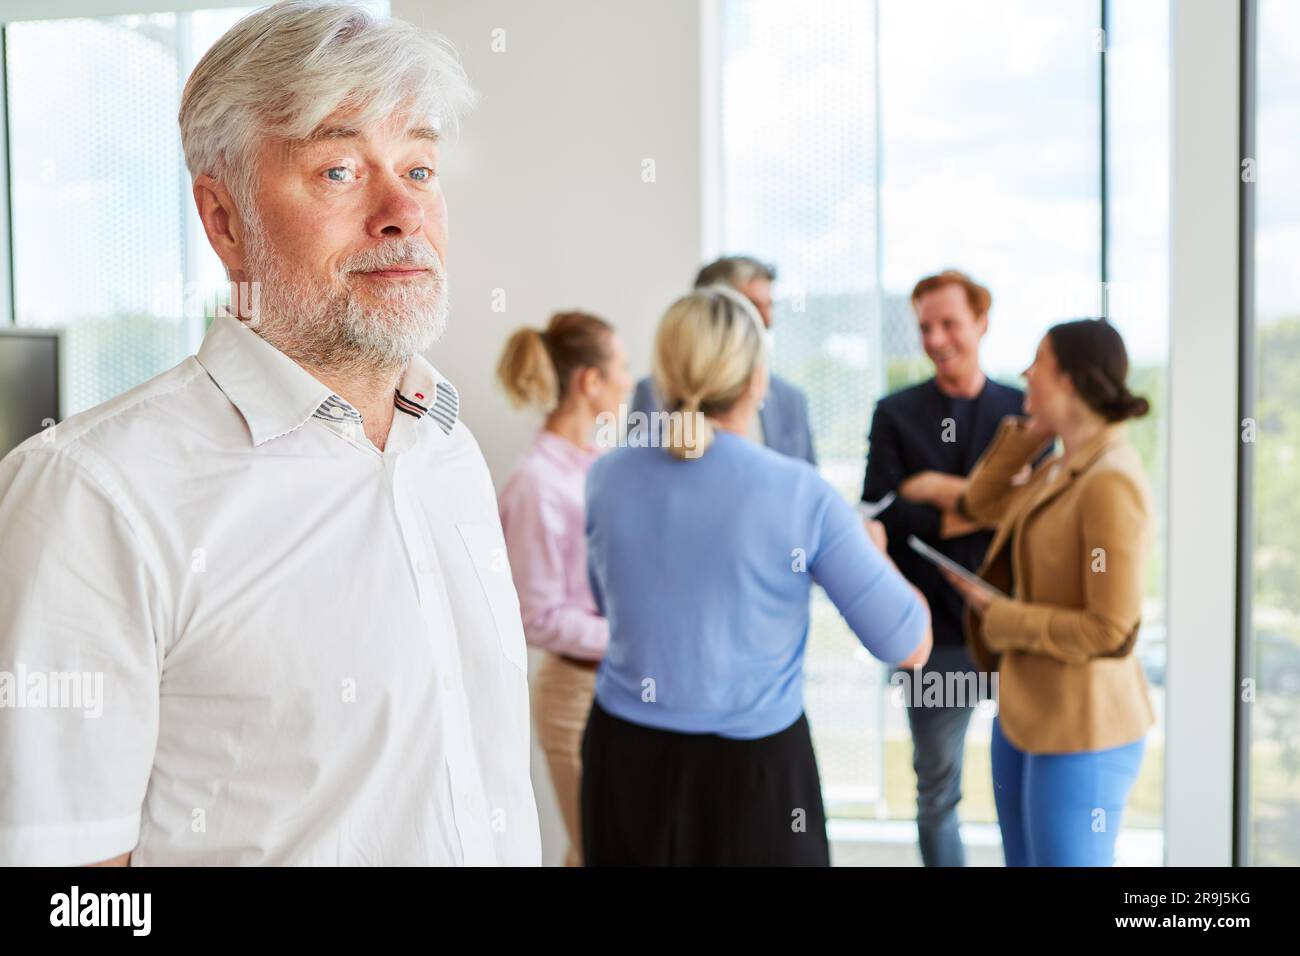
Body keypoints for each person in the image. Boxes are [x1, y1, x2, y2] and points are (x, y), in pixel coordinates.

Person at [0, 2, 541, 866]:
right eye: (337, 170)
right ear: (223, 220)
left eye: (421, 167)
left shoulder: (449, 450)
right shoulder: (90, 493)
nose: (402, 210)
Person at [581, 285, 932, 866]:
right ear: (757, 379)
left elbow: (609, 605)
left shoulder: (607, 478)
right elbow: (908, 643)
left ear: (663, 375)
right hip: (756, 779)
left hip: (625, 762)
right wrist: (876, 549)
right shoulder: (801, 493)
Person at [941, 318, 1154, 867]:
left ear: (1073, 380)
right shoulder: (1062, 464)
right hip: (1025, 714)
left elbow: (1111, 630)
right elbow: (979, 505)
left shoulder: (1110, 478)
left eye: (1039, 362)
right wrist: (1027, 435)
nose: (1026, 374)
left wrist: (1002, 617)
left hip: (1082, 728)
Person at [862, 270, 1030, 867]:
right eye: (925, 326)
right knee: (937, 794)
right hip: (932, 637)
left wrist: (932, 489)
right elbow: (882, 516)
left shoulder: (1026, 410)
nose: (935, 338)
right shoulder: (895, 413)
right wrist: (983, 503)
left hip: (1016, 632)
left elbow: (1034, 511)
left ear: (981, 321)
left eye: (949, 323)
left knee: (1026, 790)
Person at [495, 310, 631, 867]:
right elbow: (536, 615)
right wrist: (631, 637)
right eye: (621, 366)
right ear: (590, 381)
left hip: (621, 688)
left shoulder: (603, 466)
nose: (630, 379)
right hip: (574, 697)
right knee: (603, 851)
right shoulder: (536, 484)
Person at [629, 256, 816, 464]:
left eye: (769, 306)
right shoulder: (654, 394)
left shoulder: (791, 400)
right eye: (752, 305)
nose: (767, 321)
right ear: (706, 310)